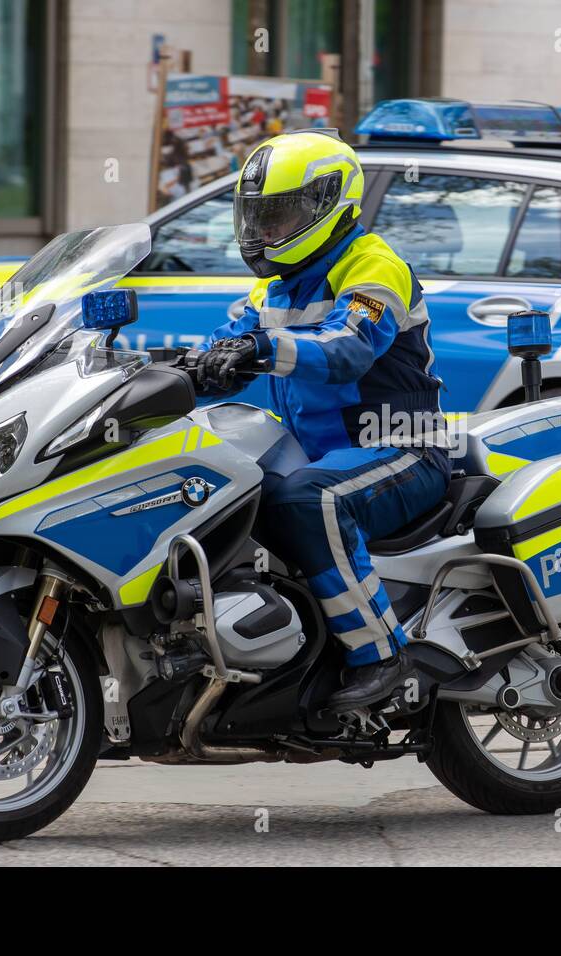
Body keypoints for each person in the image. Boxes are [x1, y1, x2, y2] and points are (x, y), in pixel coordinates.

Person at [188, 129, 450, 712]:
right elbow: (226, 340)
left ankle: (382, 655)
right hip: (322, 455)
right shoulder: (275, 288)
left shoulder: (374, 266)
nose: (265, 231)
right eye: (258, 217)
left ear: (329, 204)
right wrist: (173, 367)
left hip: (403, 449)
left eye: (279, 215)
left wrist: (259, 349)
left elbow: (348, 348)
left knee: (311, 501)